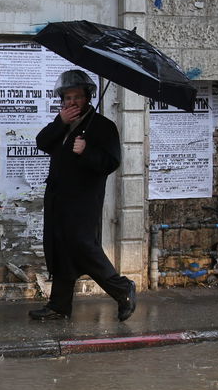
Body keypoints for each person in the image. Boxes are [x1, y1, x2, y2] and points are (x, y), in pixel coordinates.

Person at [29, 69, 138, 323]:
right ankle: (58, 305)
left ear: (87, 97)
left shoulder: (102, 127)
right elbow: (41, 142)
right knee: (62, 250)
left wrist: (87, 151)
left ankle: (123, 289)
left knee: (83, 247)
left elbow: (111, 162)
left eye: (77, 96)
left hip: (83, 202)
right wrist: (61, 123)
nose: (71, 102)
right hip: (58, 200)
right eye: (67, 97)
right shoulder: (63, 123)